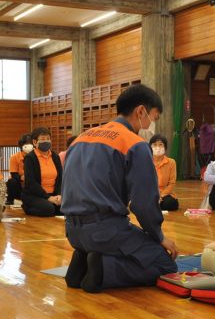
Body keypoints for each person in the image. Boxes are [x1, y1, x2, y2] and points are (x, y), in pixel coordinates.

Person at [61, 84, 178, 293]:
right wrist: (159, 237)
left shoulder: (80, 139)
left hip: (72, 231)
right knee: (164, 264)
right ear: (141, 111)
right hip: (104, 231)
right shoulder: (135, 144)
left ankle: (84, 260)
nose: (152, 125)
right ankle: (103, 269)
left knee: (128, 244)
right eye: (155, 117)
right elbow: (143, 204)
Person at [21, 127, 62, 217]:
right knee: (49, 209)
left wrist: (59, 194)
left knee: (66, 207)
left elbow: (60, 178)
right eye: (43, 139)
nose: (46, 141)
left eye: (48, 139)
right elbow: (30, 182)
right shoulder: (30, 158)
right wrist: (48, 198)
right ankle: (27, 207)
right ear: (35, 142)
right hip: (35, 195)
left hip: (53, 194)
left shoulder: (55, 156)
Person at [149, 134, 179, 211]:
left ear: (165, 148)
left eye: (160, 145)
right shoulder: (145, 161)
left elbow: (171, 183)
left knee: (171, 203)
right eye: (154, 145)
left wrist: (161, 196)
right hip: (149, 193)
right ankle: (153, 204)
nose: (157, 147)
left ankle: (153, 205)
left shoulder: (171, 162)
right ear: (150, 147)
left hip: (165, 194)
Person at [6, 133, 32, 205]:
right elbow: (13, 174)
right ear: (21, 145)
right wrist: (22, 177)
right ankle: (10, 199)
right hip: (19, 184)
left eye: (30, 143)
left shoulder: (36, 157)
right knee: (12, 181)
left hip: (31, 183)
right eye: (26, 143)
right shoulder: (15, 157)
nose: (29, 145)